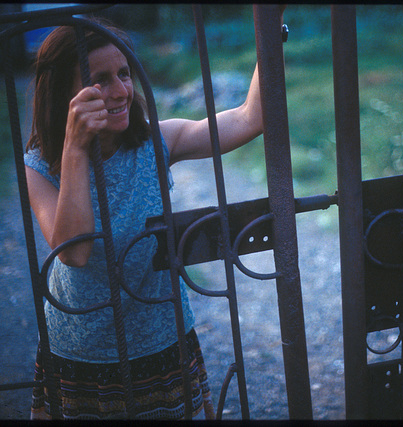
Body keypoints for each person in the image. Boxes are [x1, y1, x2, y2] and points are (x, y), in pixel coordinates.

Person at [24, 16, 263, 420]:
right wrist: (76, 148)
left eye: (124, 73)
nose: (120, 91)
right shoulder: (40, 168)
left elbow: (249, 119)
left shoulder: (157, 141)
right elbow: (74, 252)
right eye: (99, 80)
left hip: (162, 339)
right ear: (63, 96)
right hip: (82, 353)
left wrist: (270, 29)